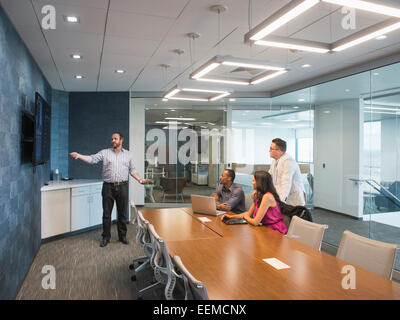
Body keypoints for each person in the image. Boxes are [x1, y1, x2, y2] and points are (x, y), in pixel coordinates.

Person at [69, 132, 147, 247]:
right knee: (106, 214)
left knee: (122, 214)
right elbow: (92, 159)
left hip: (122, 186)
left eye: (115, 139)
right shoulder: (105, 153)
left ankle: (122, 236)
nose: (113, 141)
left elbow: (132, 170)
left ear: (121, 140)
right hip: (108, 187)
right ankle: (106, 237)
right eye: (112, 139)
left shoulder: (128, 155)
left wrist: (139, 179)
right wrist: (79, 155)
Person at [222, 171, 288, 235]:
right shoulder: (259, 195)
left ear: (260, 183)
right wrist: (231, 217)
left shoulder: (267, 197)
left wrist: (246, 217)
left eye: (253, 181)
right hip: (264, 229)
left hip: (275, 231)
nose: (252, 182)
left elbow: (255, 222)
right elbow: (248, 213)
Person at [268, 138, 306, 206]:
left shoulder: (288, 160)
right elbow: (269, 176)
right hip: (282, 196)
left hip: (292, 198)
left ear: (279, 151)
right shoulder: (275, 161)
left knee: (295, 216)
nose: (269, 151)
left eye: (271, 149)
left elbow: (286, 182)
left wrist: (281, 201)